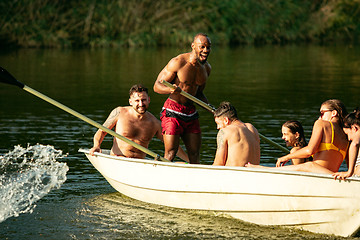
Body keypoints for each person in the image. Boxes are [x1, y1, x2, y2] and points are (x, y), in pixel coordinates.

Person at [89, 84, 188, 162]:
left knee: (181, 163)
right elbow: (101, 132)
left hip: (139, 163)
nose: (141, 104)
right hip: (118, 159)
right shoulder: (119, 112)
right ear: (130, 101)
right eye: (137, 100)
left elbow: (172, 146)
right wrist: (96, 145)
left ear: (149, 100)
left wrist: (191, 161)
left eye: (143, 100)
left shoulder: (155, 123)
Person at [246, 99, 349, 175]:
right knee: (305, 166)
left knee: (308, 165)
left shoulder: (321, 124)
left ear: (334, 113)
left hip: (317, 173)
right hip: (331, 174)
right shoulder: (346, 133)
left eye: (322, 113)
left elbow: (310, 151)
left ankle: (262, 169)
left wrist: (286, 157)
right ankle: (263, 168)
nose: (320, 117)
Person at [153, 33, 212, 164]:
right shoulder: (178, 62)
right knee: (171, 152)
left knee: (194, 154)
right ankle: (161, 180)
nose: (206, 51)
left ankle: (194, 182)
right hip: (172, 111)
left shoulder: (206, 68)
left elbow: (199, 94)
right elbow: (156, 86)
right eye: (202, 47)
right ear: (193, 46)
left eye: (208, 47)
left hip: (190, 113)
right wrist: (170, 89)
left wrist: (212, 109)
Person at [212, 102, 260, 166]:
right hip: (254, 173)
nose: (218, 127)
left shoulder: (225, 131)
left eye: (218, 123)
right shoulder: (252, 128)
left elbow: (218, 164)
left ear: (226, 120)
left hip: (233, 174)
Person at [333, 108, 360, 179]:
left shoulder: (356, 142)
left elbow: (355, 144)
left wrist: (349, 172)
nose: (349, 138)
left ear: (354, 128)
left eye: (348, 134)